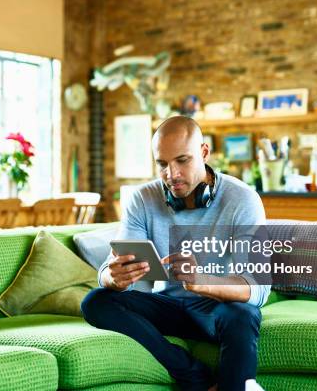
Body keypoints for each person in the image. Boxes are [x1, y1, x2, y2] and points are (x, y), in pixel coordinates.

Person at [81, 116, 270, 391]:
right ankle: (194, 375)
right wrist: (113, 277)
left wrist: (201, 280)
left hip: (216, 308)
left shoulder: (242, 199)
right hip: (168, 305)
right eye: (162, 164)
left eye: (182, 160)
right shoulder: (142, 199)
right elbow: (111, 269)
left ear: (204, 153)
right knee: (96, 301)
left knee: (243, 315)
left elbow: (258, 288)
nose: (172, 174)